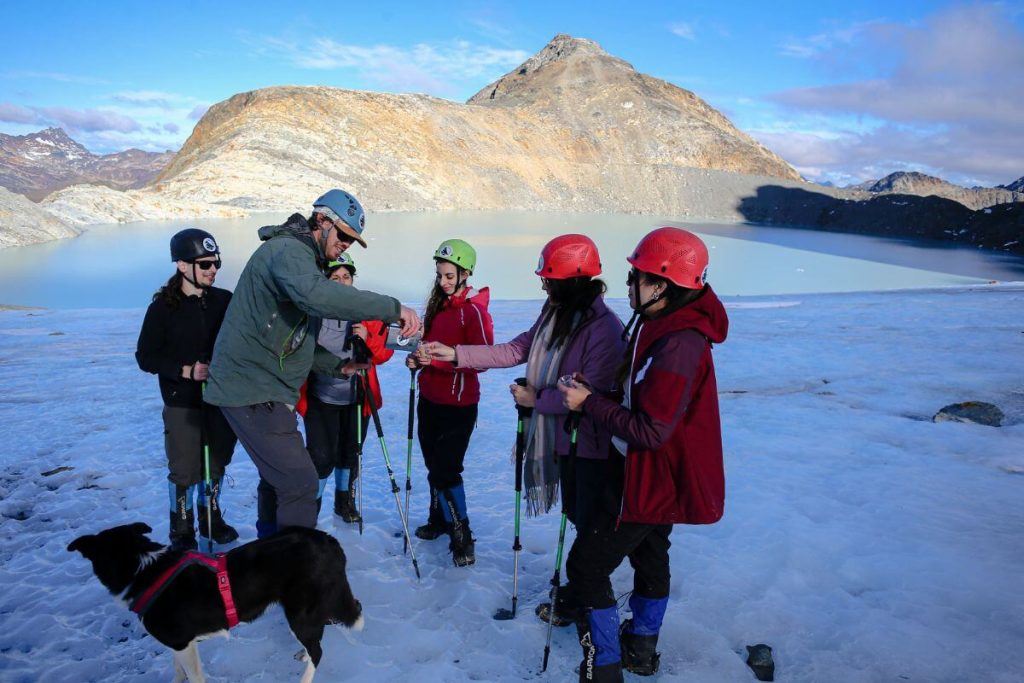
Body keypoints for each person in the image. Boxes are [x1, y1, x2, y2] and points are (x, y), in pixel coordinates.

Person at [557, 227, 728, 681]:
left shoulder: (679, 345)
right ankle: (641, 647)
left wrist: (588, 404)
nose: (629, 283)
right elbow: (642, 400)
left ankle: (605, 666)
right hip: (657, 475)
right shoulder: (661, 325)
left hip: (649, 475)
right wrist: (599, 392)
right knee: (651, 553)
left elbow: (651, 431)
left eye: (637, 276)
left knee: (587, 566)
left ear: (663, 285)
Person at [204, 189, 421, 537]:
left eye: (353, 240)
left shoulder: (301, 257)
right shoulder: (289, 252)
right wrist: (393, 308)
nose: (347, 244)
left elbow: (296, 339)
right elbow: (319, 298)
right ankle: (295, 573)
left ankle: (272, 556)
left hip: (263, 386)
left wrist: (337, 367)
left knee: (280, 479)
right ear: (322, 220)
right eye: (345, 235)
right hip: (252, 388)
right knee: (300, 483)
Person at [422, 234, 625, 587]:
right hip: (565, 440)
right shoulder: (555, 313)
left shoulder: (603, 329)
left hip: (591, 444)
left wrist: (536, 401)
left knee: (588, 522)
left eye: (549, 279)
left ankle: (585, 596)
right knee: (577, 514)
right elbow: (517, 349)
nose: (543, 285)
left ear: (571, 281)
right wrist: (456, 354)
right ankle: (583, 594)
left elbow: (589, 396)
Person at [136, 228, 239, 550]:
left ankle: (211, 518)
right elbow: (146, 357)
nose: (213, 270)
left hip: (220, 399)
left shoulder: (224, 301)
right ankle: (181, 529)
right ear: (182, 265)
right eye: (205, 264)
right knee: (184, 470)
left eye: (216, 264)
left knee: (217, 463)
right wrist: (185, 370)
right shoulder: (163, 309)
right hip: (183, 402)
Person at [406, 239, 493, 567]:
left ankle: (462, 533)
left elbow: (484, 358)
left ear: (465, 273)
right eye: (440, 274)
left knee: (447, 468)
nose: (442, 281)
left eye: (448, 276)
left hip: (458, 405)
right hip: (430, 398)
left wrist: (441, 361)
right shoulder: (437, 306)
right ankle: (440, 518)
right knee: (434, 465)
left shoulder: (474, 311)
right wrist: (417, 360)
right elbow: (426, 347)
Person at [298, 253, 393, 524]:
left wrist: (368, 338)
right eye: (334, 277)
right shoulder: (313, 313)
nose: (341, 283)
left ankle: (344, 501)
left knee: (350, 453)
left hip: (357, 399)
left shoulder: (364, 311)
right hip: (320, 398)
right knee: (321, 457)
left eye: (346, 277)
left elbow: (383, 354)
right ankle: (311, 507)